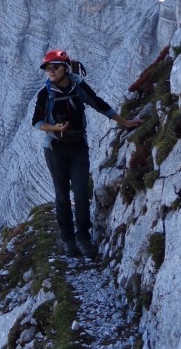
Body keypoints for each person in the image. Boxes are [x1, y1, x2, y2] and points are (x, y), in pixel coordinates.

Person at [32, 48, 140, 257]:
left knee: (81, 193)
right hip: (55, 149)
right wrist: (55, 128)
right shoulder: (45, 94)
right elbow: (36, 122)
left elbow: (99, 104)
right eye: (47, 69)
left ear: (65, 68)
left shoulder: (78, 87)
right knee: (62, 196)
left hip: (78, 146)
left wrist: (125, 122)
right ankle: (68, 240)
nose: (50, 72)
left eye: (54, 67)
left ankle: (83, 236)